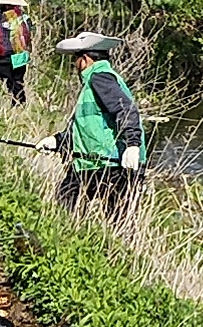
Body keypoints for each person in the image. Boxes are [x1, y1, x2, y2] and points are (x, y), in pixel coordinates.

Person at [49, 30, 143, 210]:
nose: (75, 65)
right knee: (66, 203)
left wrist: (132, 144)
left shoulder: (100, 77)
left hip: (113, 166)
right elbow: (87, 127)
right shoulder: (94, 82)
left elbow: (126, 110)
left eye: (75, 60)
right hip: (91, 164)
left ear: (85, 59)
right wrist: (58, 141)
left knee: (115, 220)